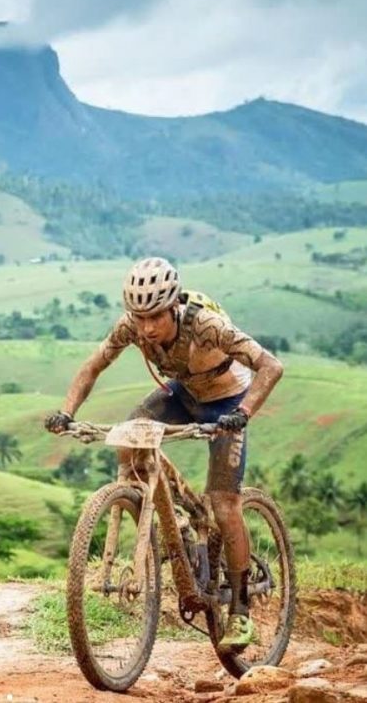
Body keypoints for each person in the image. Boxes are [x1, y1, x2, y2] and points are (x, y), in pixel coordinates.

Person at [45, 257, 283, 652]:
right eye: (139, 317)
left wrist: (241, 415)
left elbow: (270, 366)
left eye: (155, 315)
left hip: (227, 401)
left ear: (173, 305)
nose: (147, 327)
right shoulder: (131, 327)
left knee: (224, 503)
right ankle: (173, 533)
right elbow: (92, 367)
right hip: (183, 393)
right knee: (129, 439)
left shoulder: (207, 326)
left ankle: (240, 610)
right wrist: (66, 412)